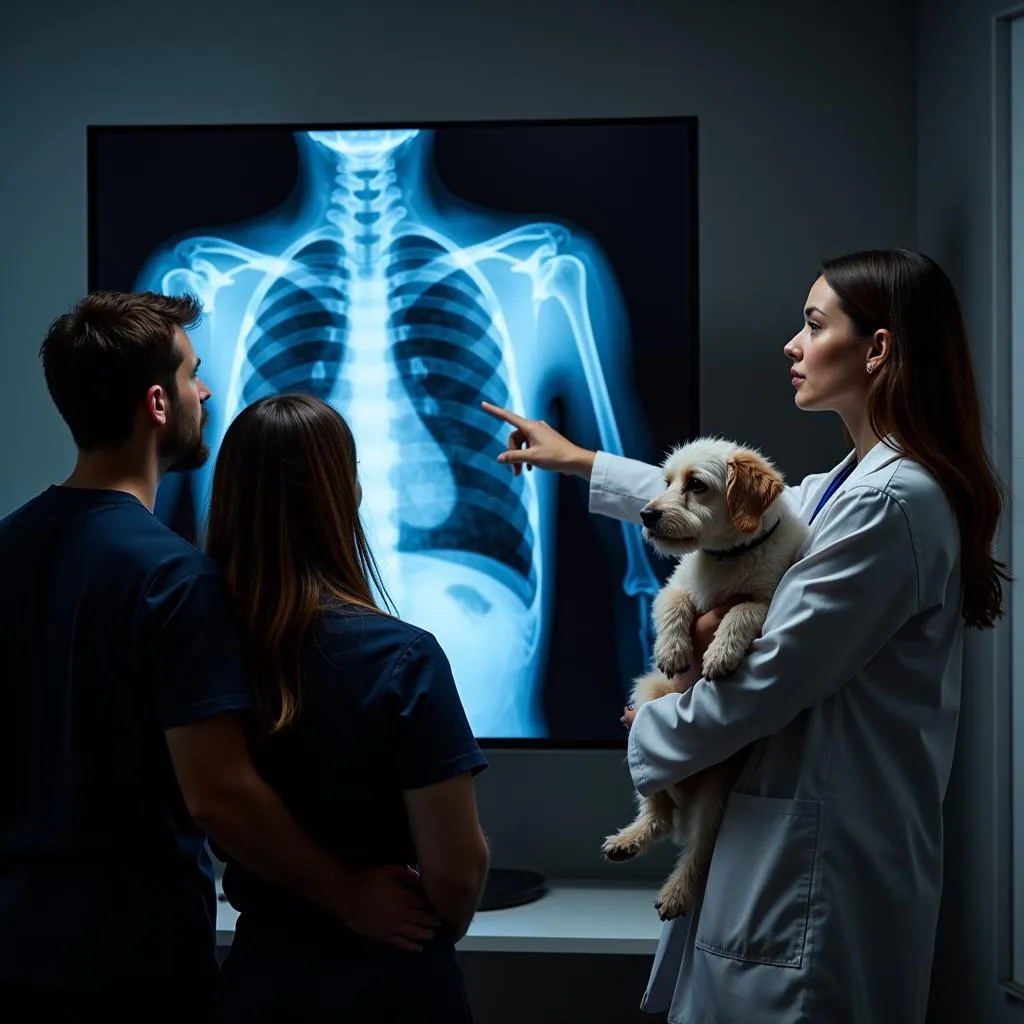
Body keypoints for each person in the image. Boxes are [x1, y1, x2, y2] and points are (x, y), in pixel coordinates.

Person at [482, 248, 1009, 1024]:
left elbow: (764, 683)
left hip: (818, 880)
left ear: (878, 348)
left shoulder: (890, 502)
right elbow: (730, 508)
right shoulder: (850, 486)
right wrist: (584, 463)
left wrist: (648, 725)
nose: (793, 346)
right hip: (791, 859)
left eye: (813, 324)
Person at [0, 292, 439, 1023]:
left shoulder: (7, 547)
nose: (205, 391)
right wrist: (347, 894)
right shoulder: (172, 577)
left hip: (14, 941)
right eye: (192, 374)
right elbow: (218, 795)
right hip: (132, 960)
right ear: (157, 402)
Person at [204, 393, 491, 1024]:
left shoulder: (197, 646)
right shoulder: (402, 658)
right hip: (391, 981)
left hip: (261, 979)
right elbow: (455, 876)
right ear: (346, 493)